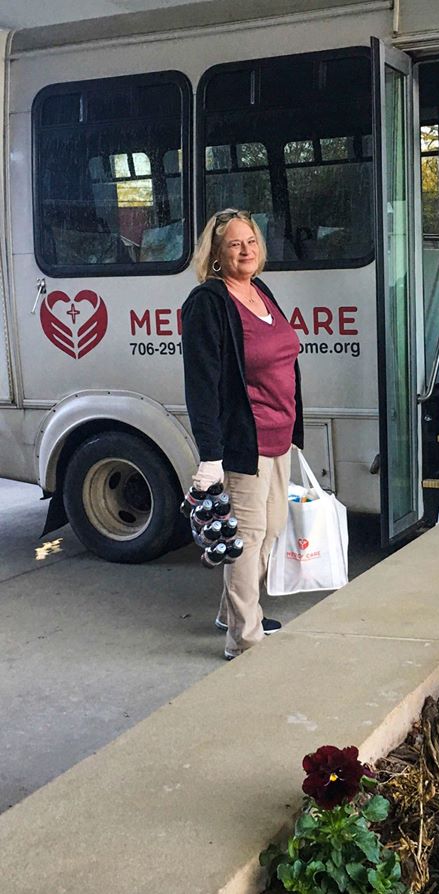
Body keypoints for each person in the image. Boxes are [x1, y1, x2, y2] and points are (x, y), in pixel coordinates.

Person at [182, 209, 304, 660]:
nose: (246, 250)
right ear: (216, 254)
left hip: (278, 435)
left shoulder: (260, 291)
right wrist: (210, 455)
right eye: (234, 244)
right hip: (242, 441)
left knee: (270, 530)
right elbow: (201, 384)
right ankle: (244, 638)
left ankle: (231, 612)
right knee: (247, 538)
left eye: (251, 240)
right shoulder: (208, 303)